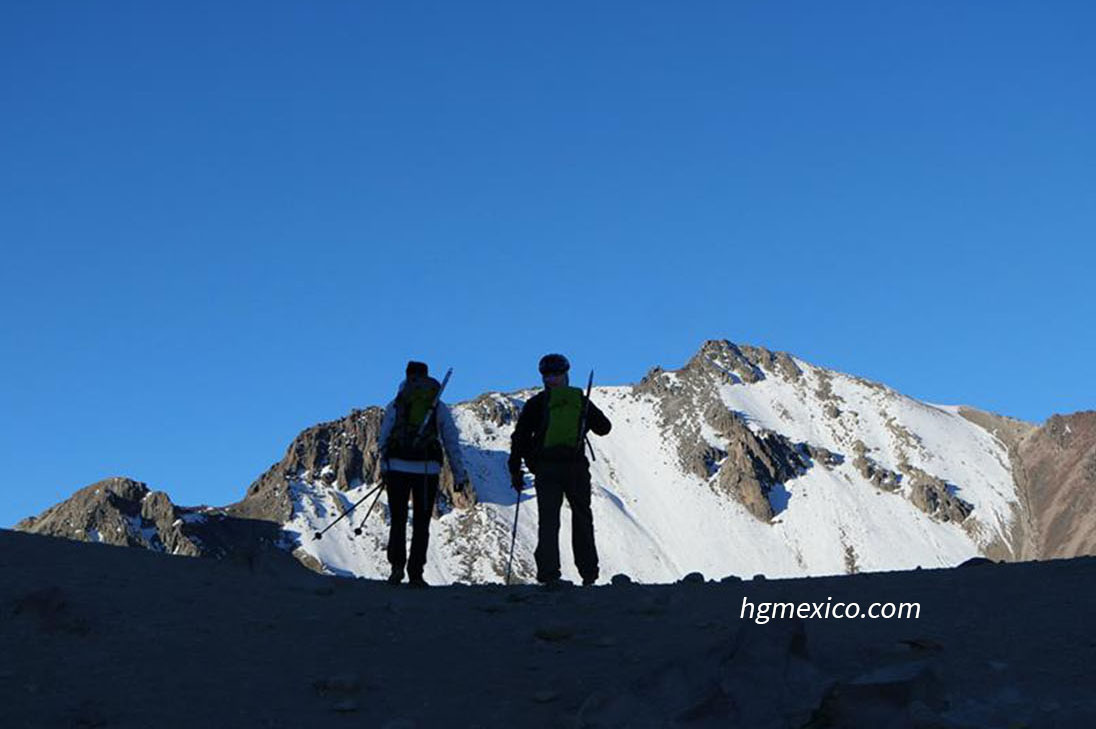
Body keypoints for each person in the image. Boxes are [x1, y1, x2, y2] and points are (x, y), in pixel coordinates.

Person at [508, 353, 611, 586]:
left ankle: (548, 573)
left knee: (549, 521)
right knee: (582, 517)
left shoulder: (537, 403)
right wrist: (583, 420)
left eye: (553, 375)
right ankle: (588, 573)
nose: (552, 379)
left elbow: (520, 437)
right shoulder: (579, 400)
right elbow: (604, 428)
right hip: (576, 467)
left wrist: (516, 469)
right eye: (551, 375)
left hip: (546, 469)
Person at [377, 361, 469, 587]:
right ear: (427, 376)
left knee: (398, 519)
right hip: (427, 470)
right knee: (422, 522)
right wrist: (458, 475)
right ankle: (416, 573)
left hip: (397, 467)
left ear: (407, 376)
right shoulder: (437, 405)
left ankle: (396, 568)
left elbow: (384, 438)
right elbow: (451, 441)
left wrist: (383, 468)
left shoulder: (397, 403)